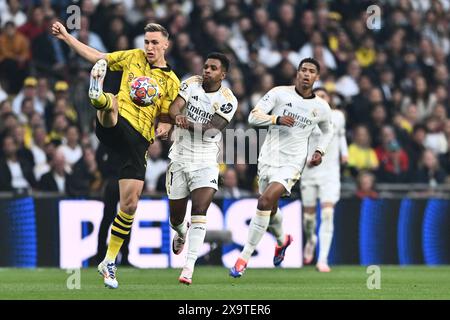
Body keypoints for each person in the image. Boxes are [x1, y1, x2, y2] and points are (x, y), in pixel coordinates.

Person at [52, 21, 180, 289]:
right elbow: (97, 56)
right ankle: (98, 96)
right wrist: (66, 37)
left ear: (166, 44)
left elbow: (167, 117)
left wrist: (163, 130)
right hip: (118, 123)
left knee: (130, 205)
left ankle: (108, 262)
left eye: (154, 42)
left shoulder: (171, 81)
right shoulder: (132, 56)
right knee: (111, 104)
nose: (149, 47)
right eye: (146, 42)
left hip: (139, 142)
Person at [230, 58, 334, 278]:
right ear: (297, 74)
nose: (306, 74)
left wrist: (320, 151)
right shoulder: (279, 93)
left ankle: (243, 258)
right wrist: (276, 119)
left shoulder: (321, 107)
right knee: (271, 207)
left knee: (264, 201)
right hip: (268, 158)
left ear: (317, 77)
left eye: (311, 71)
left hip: (292, 163)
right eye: (303, 70)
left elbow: (328, 130)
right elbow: (252, 117)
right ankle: (282, 240)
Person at [167, 52, 237, 285]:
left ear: (222, 74)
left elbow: (212, 130)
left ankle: (188, 267)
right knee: (176, 217)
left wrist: (186, 123)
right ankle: (180, 232)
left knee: (199, 209)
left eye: (213, 68)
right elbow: (174, 108)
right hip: (179, 156)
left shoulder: (228, 100)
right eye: (206, 66)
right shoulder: (190, 83)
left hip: (206, 160)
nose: (206, 70)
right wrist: (177, 116)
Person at [300, 87, 348, 273]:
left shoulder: (337, 116)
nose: (320, 99)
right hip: (309, 173)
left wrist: (345, 153)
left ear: (329, 99)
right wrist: (307, 161)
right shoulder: (305, 118)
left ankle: (322, 259)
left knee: (327, 214)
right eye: (317, 96)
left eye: (323, 96)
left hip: (330, 173)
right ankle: (311, 239)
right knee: (309, 218)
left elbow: (341, 136)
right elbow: (298, 144)